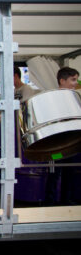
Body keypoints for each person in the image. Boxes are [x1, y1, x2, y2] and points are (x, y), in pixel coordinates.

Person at [45, 67, 80, 206]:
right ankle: (50, 202)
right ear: (62, 80)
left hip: (71, 143)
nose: (75, 83)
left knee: (69, 172)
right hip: (56, 145)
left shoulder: (75, 97)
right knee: (54, 172)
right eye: (72, 79)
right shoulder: (52, 97)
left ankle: (66, 201)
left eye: (76, 80)